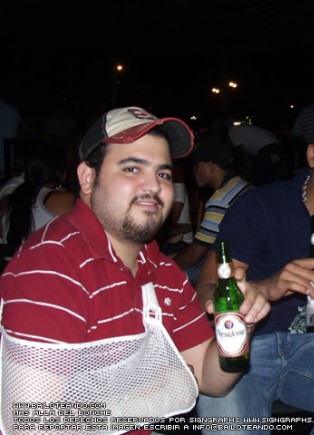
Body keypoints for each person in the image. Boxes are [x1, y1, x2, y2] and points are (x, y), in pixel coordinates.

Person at [0, 106, 269, 430]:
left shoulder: (162, 270)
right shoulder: (52, 266)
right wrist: (155, 391)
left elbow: (210, 379)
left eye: (163, 174)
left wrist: (239, 325)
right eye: (131, 168)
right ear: (88, 178)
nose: (152, 185)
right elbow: (29, 422)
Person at [194, 107, 314, 435]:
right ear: (312, 155)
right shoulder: (261, 205)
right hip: (243, 346)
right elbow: (205, 287)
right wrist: (265, 287)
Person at [172, 134, 253, 285]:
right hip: (247, 258)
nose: (194, 171)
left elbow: (195, 254)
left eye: (196, 165)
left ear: (210, 166)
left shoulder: (221, 200)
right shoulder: (242, 185)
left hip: (235, 268)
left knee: (172, 275)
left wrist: (165, 269)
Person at [1, 147, 76, 254]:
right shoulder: (63, 200)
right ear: (61, 173)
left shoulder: (7, 200)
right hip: (44, 262)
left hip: (11, 262)